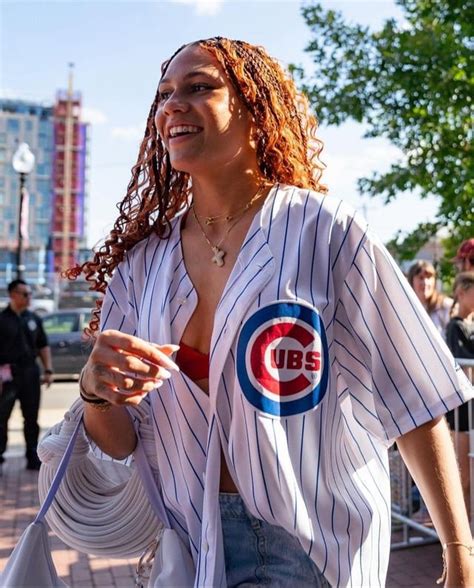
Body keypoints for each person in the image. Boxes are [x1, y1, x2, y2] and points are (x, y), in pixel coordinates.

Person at [48, 38, 472, 586]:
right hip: (192, 548)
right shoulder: (143, 265)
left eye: (199, 87)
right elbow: (121, 440)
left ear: (253, 109)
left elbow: (414, 398)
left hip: (314, 547)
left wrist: (459, 551)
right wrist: (95, 392)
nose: (172, 105)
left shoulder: (327, 234)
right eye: (164, 94)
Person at [0, 279, 53, 471]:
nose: (29, 297)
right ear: (13, 295)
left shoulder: (34, 319)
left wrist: (48, 370)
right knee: (2, 417)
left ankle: (32, 456)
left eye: (30, 294)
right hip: (7, 375)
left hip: (30, 373)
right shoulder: (2, 319)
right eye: (25, 294)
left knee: (31, 417)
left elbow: (43, 345)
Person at [445, 271, 474, 518]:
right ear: (461, 293)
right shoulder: (455, 327)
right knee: (463, 477)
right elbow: (466, 367)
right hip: (462, 412)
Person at [407, 260, 454, 339]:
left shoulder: (445, 306)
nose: (425, 282)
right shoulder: (406, 307)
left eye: (429, 277)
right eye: (421, 278)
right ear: (412, 281)